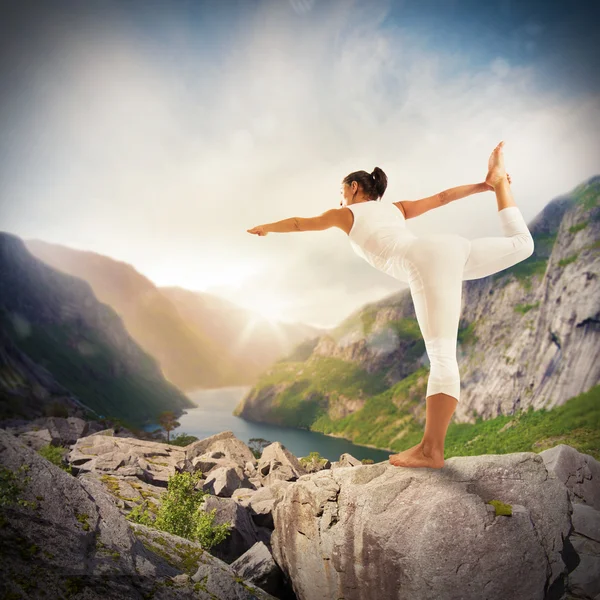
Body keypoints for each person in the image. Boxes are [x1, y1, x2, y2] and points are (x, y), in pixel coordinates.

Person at [247, 141, 534, 469]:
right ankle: (500, 184)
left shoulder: (345, 214)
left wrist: (266, 228)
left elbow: (300, 223)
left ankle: (431, 451)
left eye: (341, 191)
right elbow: (442, 198)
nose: (339, 199)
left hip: (424, 261)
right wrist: (483, 186)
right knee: (521, 245)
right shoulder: (395, 208)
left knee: (441, 356)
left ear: (354, 188)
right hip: (451, 248)